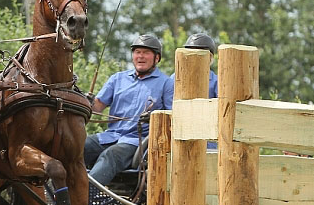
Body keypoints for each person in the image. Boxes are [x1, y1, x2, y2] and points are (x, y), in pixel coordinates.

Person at [84, 34, 173, 185]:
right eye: (137, 52)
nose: (141, 56)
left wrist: (155, 117)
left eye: (146, 53)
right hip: (110, 136)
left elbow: (172, 116)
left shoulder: (166, 83)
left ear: (156, 58)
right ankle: (60, 195)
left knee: (110, 155)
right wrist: (85, 102)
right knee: (77, 146)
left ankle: (86, 197)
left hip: (137, 142)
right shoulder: (117, 79)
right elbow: (97, 107)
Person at [166, 33, 219, 149]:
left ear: (210, 58)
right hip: (177, 137)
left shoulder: (216, 82)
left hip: (206, 142)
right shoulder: (174, 79)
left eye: (200, 54)